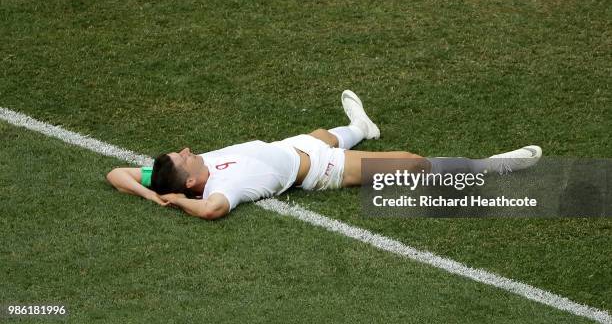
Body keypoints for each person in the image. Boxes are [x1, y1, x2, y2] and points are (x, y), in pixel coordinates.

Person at [106, 90, 542, 220]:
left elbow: (116, 172)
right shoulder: (219, 187)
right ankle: (490, 167)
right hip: (320, 170)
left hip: (295, 145)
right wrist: (181, 203)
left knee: (327, 133)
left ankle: (361, 127)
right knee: (410, 161)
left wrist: (152, 196)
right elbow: (213, 211)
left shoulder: (177, 175)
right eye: (184, 158)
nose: (187, 149)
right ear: (189, 183)